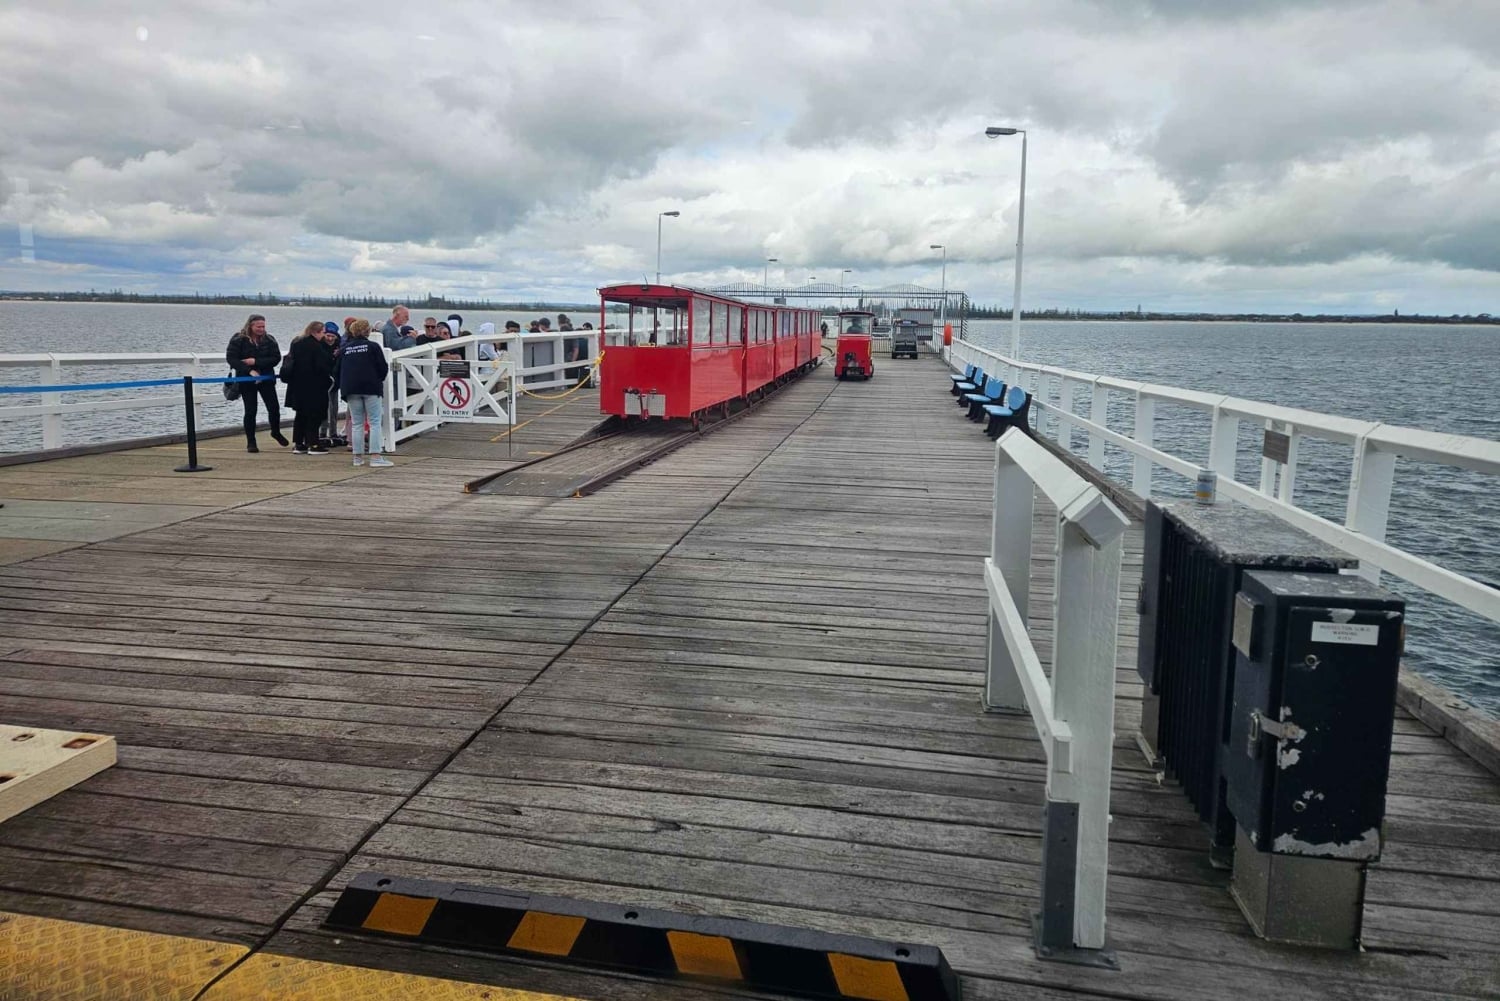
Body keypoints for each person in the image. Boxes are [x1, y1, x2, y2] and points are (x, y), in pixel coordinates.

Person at [225, 313, 288, 453]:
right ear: (250, 325)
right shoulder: (239, 339)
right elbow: (231, 358)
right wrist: (249, 370)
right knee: (250, 410)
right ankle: (251, 442)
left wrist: (256, 362)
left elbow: (275, 358)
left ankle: (275, 431)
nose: (261, 329)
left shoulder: (269, 339)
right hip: (246, 379)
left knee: (273, 407)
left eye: (263, 326)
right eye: (258, 326)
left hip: (266, 377)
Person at [339, 319, 392, 468]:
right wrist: (377, 380)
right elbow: (383, 367)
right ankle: (375, 456)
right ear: (368, 331)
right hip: (370, 388)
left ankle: (357, 457)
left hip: (351, 389)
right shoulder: (373, 347)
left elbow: (337, 369)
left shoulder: (345, 349)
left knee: (357, 423)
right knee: (374, 422)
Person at [285, 321, 335, 454]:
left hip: (297, 386)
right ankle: (313, 443)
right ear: (316, 332)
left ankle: (299, 444)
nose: (324, 335)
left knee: (300, 415)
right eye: (323, 332)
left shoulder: (296, 343)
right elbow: (322, 366)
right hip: (314, 386)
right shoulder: (315, 346)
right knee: (315, 415)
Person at [319, 322, 345, 448]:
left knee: (334, 408)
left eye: (332, 336)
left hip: (335, 381)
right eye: (327, 335)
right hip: (323, 381)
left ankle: (333, 433)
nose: (330, 339)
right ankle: (323, 433)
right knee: (325, 408)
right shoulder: (319, 346)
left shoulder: (340, 346)